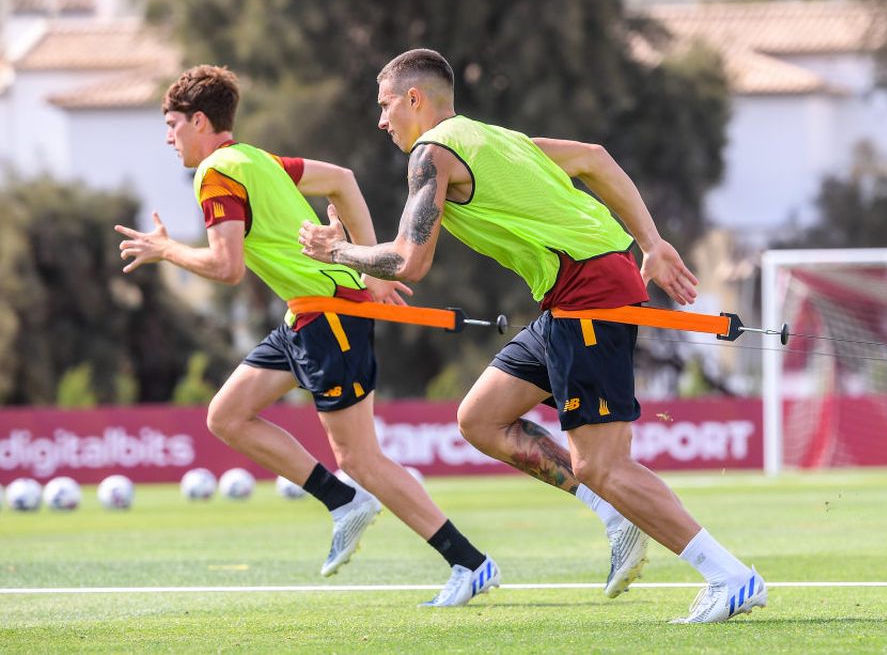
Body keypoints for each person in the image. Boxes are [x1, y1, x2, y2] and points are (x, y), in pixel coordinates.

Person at [298, 49, 766, 623]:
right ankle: (616, 515)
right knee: (480, 418)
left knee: (602, 464)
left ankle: (730, 576)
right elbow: (594, 158)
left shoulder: (431, 153)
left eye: (385, 104)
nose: (381, 120)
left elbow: (408, 261)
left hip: (589, 288)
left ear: (414, 99)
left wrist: (335, 250)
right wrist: (649, 243)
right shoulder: (494, 138)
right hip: (573, 289)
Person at [115, 64, 499, 607]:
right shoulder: (256, 160)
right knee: (225, 415)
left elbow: (227, 268)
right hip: (306, 316)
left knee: (362, 459)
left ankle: (470, 562)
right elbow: (342, 178)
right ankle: (343, 503)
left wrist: (164, 249)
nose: (169, 137)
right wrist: (372, 271)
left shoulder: (217, 174)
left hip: (329, 317)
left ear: (200, 121)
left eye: (173, 124)